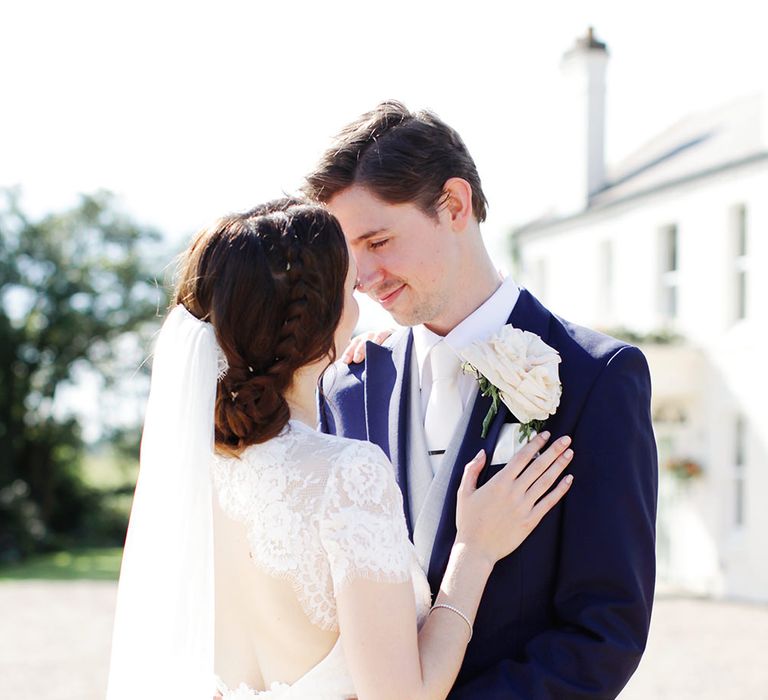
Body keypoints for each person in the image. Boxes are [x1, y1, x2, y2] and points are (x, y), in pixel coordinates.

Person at [105, 198, 575, 699]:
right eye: (351, 287)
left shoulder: (197, 470)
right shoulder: (347, 473)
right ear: (317, 318)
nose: (366, 302)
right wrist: (474, 552)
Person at [305, 101, 658, 699]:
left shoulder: (597, 378)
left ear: (454, 205)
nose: (363, 277)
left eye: (379, 241)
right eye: (350, 252)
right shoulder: (349, 384)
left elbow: (605, 631)